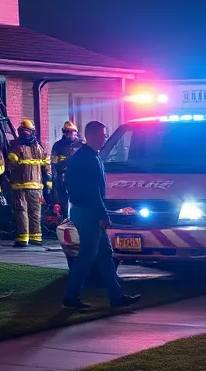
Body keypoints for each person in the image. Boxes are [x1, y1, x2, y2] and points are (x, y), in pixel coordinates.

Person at [62, 120, 141, 310]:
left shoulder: (87, 156)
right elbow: (92, 191)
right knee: (88, 255)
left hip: (85, 210)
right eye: (103, 134)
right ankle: (71, 297)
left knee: (105, 255)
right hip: (88, 211)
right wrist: (103, 214)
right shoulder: (87, 158)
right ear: (92, 135)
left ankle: (116, 296)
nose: (105, 137)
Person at [6, 119, 52, 246]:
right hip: (36, 187)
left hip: (19, 187)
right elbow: (47, 169)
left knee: (22, 211)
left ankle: (23, 239)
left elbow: (10, 166)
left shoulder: (15, 147)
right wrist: (48, 186)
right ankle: (36, 238)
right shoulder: (40, 148)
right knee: (35, 212)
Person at [50, 121, 82, 221]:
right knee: (63, 202)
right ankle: (64, 220)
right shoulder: (58, 145)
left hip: (77, 179)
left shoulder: (81, 145)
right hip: (62, 178)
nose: (67, 134)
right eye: (66, 132)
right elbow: (54, 162)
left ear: (75, 132)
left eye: (70, 132)